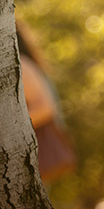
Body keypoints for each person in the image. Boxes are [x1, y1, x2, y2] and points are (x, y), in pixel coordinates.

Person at [17, 21, 77, 184]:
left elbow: (45, 108)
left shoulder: (21, 65)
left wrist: (7, 131)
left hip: (33, 157)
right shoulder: (25, 63)